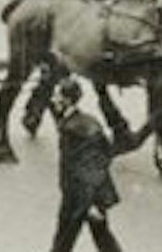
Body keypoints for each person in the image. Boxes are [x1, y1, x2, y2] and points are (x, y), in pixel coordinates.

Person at [48, 77, 129, 252]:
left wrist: (91, 203)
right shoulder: (84, 121)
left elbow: (90, 169)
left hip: (81, 198)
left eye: (56, 96)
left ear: (66, 100)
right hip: (80, 194)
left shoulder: (74, 129)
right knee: (101, 238)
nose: (53, 100)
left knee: (64, 242)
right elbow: (106, 152)